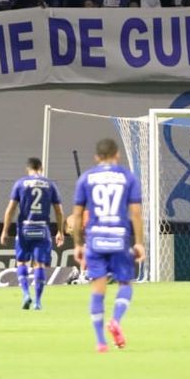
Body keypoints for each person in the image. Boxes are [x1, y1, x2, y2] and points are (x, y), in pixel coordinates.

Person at [71, 138, 145, 353]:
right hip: (119, 238)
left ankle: (100, 342)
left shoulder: (86, 178)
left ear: (96, 157)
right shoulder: (127, 177)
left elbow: (77, 215)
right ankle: (116, 320)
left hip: (95, 239)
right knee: (125, 284)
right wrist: (139, 243)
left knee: (98, 290)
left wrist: (77, 244)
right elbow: (136, 213)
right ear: (117, 155)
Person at [0, 157, 65, 310]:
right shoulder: (50, 184)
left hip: (24, 229)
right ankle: (37, 301)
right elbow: (59, 211)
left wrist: (4, 230)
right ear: (41, 168)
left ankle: (25, 294)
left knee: (21, 262)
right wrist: (60, 231)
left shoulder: (20, 183)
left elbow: (11, 209)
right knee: (39, 264)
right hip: (42, 229)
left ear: (27, 169)